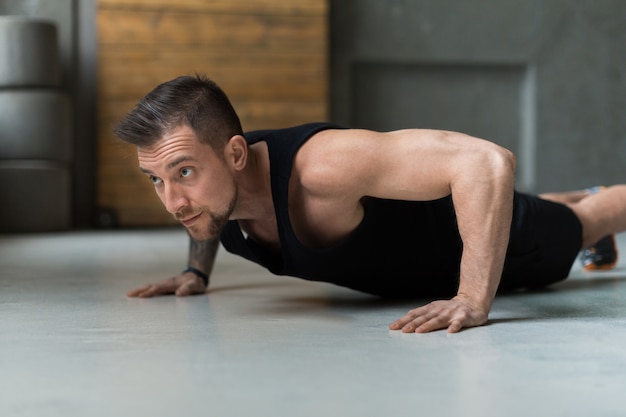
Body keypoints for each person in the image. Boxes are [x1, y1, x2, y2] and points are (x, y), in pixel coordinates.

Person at [114, 74, 626, 334]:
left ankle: (592, 208)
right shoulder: (212, 190)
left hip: (501, 242)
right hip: (428, 237)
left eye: (182, 173)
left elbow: (486, 163)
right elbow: (197, 209)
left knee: (583, 222)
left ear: (234, 154)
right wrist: (195, 271)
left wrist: (471, 298)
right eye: (155, 180)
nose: (173, 201)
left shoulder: (321, 167)